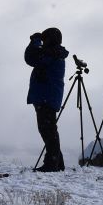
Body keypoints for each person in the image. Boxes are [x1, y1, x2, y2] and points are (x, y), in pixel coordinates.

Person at [25, 27, 68, 172]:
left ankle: (52, 164)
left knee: (48, 130)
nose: (43, 42)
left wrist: (35, 41)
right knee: (49, 130)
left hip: (46, 97)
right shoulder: (54, 53)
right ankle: (57, 163)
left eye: (45, 39)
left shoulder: (52, 54)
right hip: (47, 96)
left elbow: (31, 58)